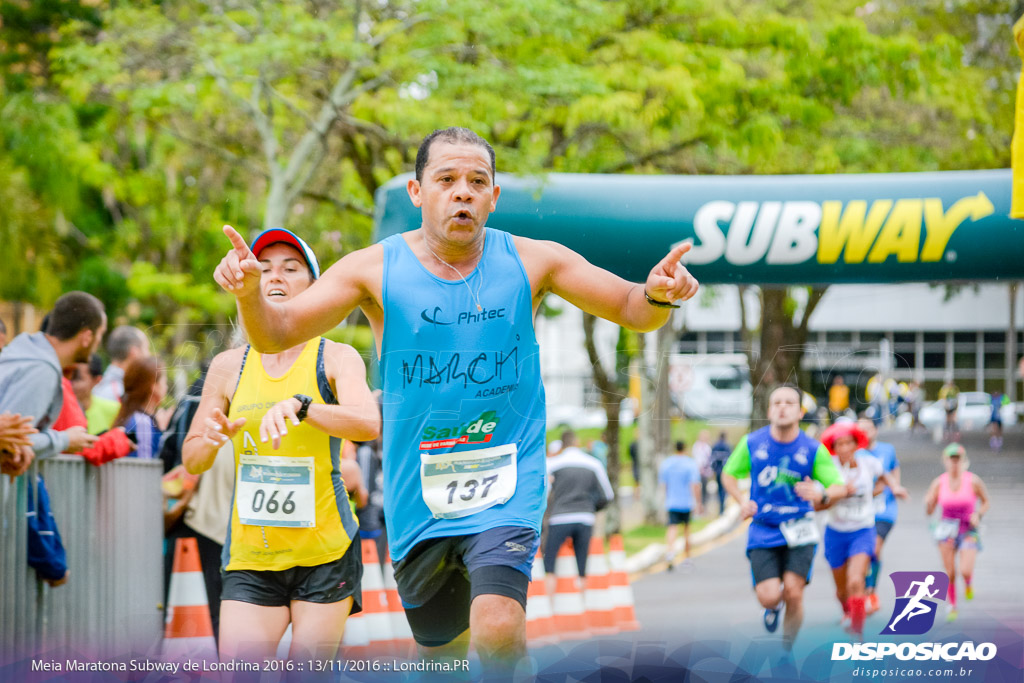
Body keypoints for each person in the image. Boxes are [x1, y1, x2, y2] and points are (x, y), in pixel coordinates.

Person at [212, 126, 699, 672]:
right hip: (417, 490)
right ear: (417, 192)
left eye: (477, 181)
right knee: (441, 653)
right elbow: (275, 333)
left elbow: (633, 306)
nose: (462, 191)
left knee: (496, 624)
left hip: (507, 478)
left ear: (494, 196)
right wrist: (250, 294)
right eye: (446, 179)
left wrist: (660, 293)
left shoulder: (535, 261)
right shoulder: (372, 269)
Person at [186, 228, 380, 661]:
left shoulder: (335, 356)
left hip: (326, 552)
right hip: (252, 556)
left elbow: (368, 424)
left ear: (314, 287)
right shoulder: (227, 365)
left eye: (291, 268)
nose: (276, 276)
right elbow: (193, 459)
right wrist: (212, 440)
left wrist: (305, 408)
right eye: (265, 267)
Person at [721, 385, 848, 662]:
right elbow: (728, 475)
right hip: (763, 529)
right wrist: (741, 500)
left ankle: (786, 652)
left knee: (793, 591)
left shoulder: (812, 449)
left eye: (789, 402)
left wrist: (822, 493)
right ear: (769, 410)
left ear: (800, 411)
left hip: (799, 528)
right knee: (770, 597)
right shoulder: (753, 443)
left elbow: (839, 486)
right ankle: (771, 607)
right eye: (776, 402)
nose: (782, 407)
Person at [0, 292, 106, 477]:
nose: (98, 342)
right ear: (87, 337)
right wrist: (65, 440)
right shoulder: (42, 369)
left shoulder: (26, 352)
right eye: (100, 335)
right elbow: (12, 441)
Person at [816, 421, 905, 638]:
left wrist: (894, 487)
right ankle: (848, 612)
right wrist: (839, 494)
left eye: (849, 443)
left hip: (862, 530)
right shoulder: (828, 468)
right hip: (835, 531)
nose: (845, 448)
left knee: (856, 581)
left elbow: (885, 474)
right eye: (840, 444)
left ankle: (858, 634)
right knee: (842, 589)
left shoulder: (869, 462)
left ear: (857, 444)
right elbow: (818, 505)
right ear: (833, 447)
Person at [543, 429, 614, 597]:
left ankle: (550, 604)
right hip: (585, 517)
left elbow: (543, 494)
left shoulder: (552, 464)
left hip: (559, 517)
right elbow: (608, 495)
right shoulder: (593, 464)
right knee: (582, 564)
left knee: (550, 564)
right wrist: (592, 508)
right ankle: (582, 603)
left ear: (562, 445)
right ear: (577, 443)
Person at [924, 443, 990, 621]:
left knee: (965, 570)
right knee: (950, 572)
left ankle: (968, 583)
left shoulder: (973, 481)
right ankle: (952, 605)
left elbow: (985, 501)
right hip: (946, 530)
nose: (954, 463)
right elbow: (929, 511)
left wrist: (978, 514)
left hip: (968, 528)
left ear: (963, 461)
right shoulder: (939, 483)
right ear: (945, 461)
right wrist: (929, 503)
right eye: (951, 459)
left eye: (957, 459)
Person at [112, 357, 169, 460]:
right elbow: (144, 468)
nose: (166, 387)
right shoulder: (142, 423)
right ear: (154, 386)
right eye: (164, 382)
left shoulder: (133, 417)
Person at [659, 440, 702, 569]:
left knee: (672, 527)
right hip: (686, 502)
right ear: (685, 448)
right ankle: (687, 557)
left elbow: (663, 484)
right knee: (687, 529)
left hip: (672, 501)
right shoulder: (690, 464)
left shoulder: (667, 463)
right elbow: (694, 485)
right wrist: (698, 502)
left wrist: (666, 497)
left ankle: (670, 553)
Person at [94, 325, 150, 402]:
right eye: (146, 349)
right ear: (134, 352)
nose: (149, 355)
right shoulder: (118, 393)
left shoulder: (98, 386)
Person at [69, 354, 121, 434]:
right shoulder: (56, 411)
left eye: (77, 378)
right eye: (67, 375)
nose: (69, 383)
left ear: (97, 380)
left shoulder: (114, 410)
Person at [709, 432, 731, 516]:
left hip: (717, 471)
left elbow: (712, 459)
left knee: (719, 489)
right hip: (725, 472)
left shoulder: (715, 446)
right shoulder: (727, 446)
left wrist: (713, 470)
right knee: (724, 490)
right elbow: (730, 459)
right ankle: (722, 508)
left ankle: (720, 508)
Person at [692, 430, 712, 513]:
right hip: (697, 471)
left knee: (704, 489)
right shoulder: (696, 446)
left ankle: (703, 507)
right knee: (696, 489)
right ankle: (697, 507)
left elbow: (709, 459)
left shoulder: (707, 447)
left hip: (705, 472)